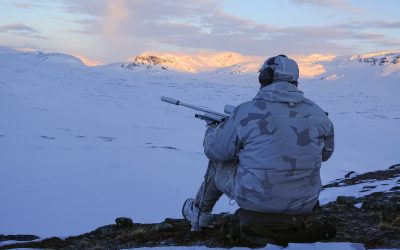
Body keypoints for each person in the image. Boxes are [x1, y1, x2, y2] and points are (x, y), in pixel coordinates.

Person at [182, 55, 335, 231]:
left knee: (219, 162)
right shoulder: (319, 114)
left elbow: (215, 150)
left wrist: (213, 130)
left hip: (256, 200)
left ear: (264, 77)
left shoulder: (246, 112)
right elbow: (325, 154)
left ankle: (199, 214)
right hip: (305, 201)